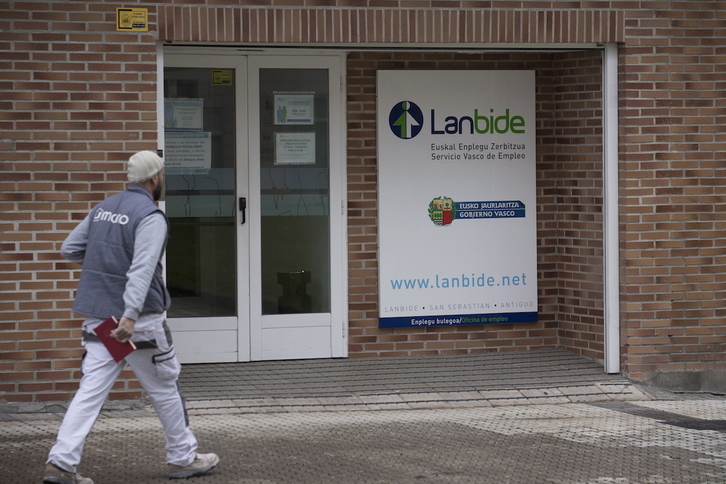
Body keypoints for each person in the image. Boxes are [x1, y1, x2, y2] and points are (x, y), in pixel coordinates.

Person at [43, 151, 219, 484]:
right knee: (165, 388)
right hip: (140, 323)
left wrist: (105, 267)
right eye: (163, 175)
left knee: (90, 391)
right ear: (154, 179)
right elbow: (141, 269)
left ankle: (61, 464)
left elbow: (70, 248)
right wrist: (130, 315)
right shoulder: (150, 216)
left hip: (100, 319)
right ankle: (182, 459)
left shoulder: (103, 208)